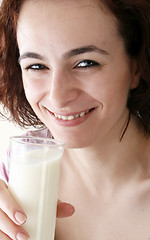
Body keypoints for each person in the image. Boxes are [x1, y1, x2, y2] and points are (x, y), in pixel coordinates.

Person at [0, 0, 150, 239]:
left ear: (135, 67)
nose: (57, 97)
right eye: (37, 66)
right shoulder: (18, 168)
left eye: (86, 63)